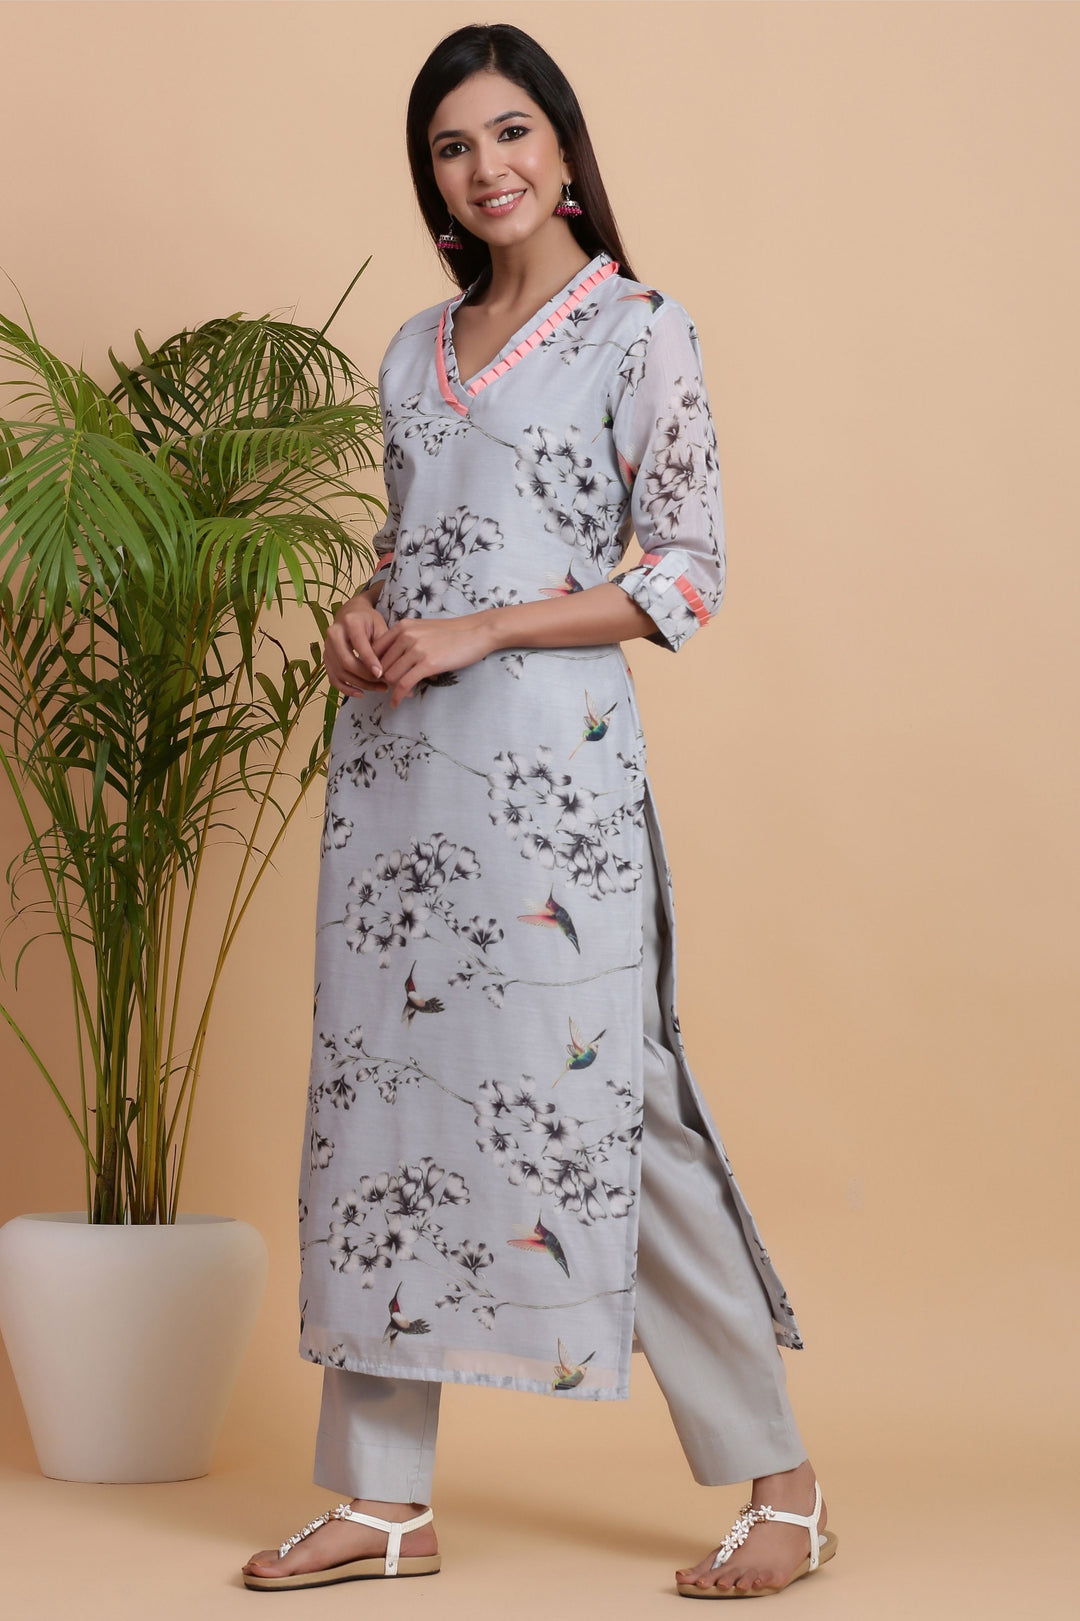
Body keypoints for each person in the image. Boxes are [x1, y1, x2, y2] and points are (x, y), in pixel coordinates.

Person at [242, 22, 837, 1599]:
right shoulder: (410, 351)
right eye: (453, 146)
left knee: (612, 1106)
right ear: (431, 179)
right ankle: (382, 1499)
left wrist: (484, 631)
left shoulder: (638, 331)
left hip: (547, 791)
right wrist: (363, 624)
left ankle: (782, 1483)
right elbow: (411, 552)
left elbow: (683, 572)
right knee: (383, 1111)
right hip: (395, 790)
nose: (486, 166)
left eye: (511, 132)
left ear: (564, 149)